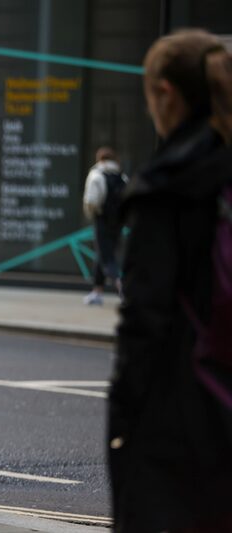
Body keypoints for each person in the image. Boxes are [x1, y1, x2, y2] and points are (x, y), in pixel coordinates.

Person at [109, 30, 232, 533]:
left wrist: (125, 417)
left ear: (165, 94)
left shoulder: (169, 186)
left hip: (184, 406)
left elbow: (146, 318)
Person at [82, 146, 127, 306]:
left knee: (106, 257)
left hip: (102, 220)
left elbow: (91, 201)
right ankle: (97, 292)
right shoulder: (121, 176)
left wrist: (92, 213)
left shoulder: (96, 175)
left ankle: (120, 285)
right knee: (102, 254)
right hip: (118, 222)